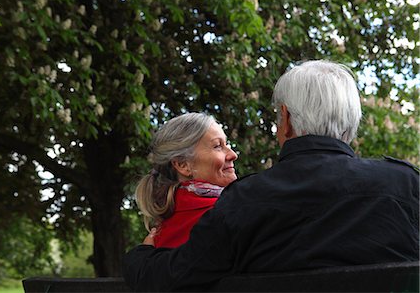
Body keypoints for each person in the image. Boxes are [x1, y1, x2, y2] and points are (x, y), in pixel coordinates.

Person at [123, 60, 419, 292]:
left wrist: (140, 257)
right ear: (353, 123)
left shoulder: (243, 201)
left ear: (286, 120)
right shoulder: (408, 186)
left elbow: (172, 278)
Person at [135, 112, 238, 248]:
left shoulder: (162, 230)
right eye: (217, 146)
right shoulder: (230, 213)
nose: (233, 155)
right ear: (183, 165)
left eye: (227, 144)